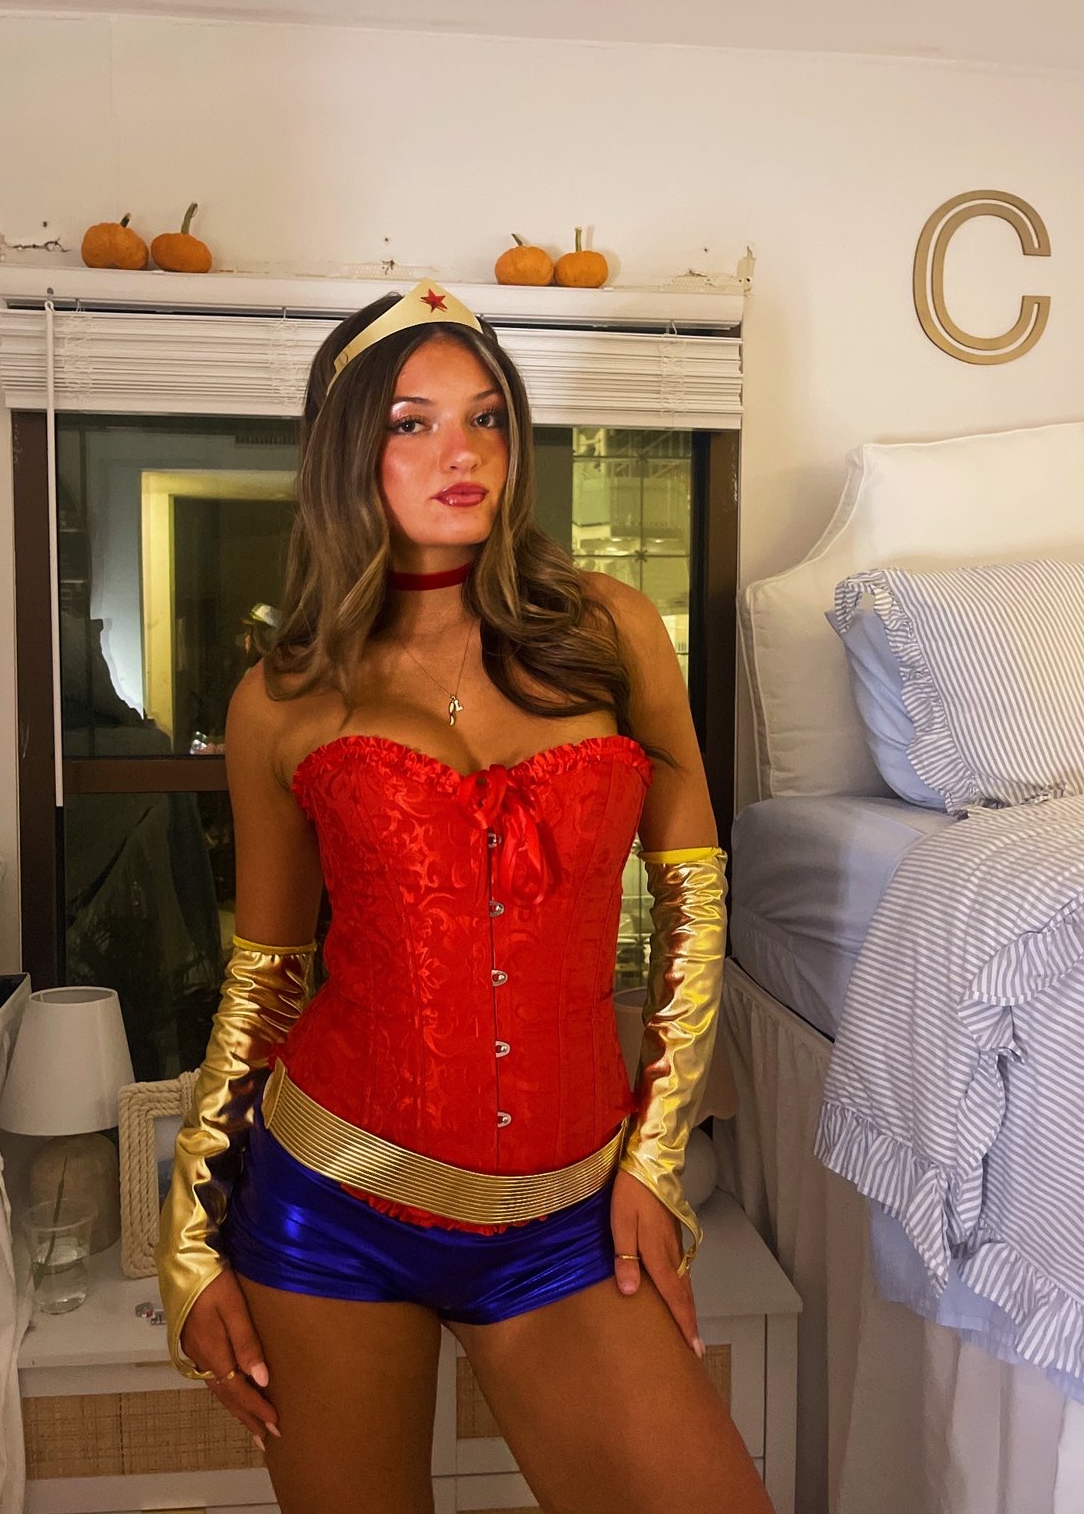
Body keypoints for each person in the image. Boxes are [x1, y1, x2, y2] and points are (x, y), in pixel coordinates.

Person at [156, 281, 771, 1514]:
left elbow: (696, 905)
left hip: (566, 1214)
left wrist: (656, 1159)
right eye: (414, 422)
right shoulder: (281, 697)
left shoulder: (611, 629)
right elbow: (266, 980)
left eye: (487, 417)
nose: (464, 451)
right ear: (347, 454)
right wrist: (188, 1232)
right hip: (327, 1207)